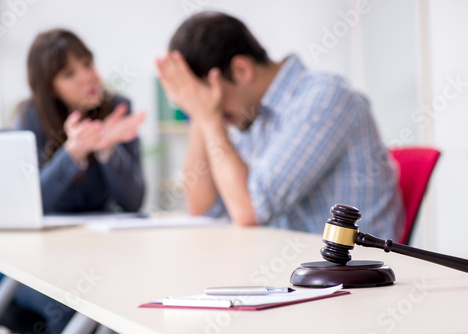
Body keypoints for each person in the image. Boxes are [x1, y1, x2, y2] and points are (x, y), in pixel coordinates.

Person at [156, 11, 405, 239]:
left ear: (241, 70)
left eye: (213, 99)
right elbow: (204, 210)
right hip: (292, 275)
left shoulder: (324, 98)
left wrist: (209, 118)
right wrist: (200, 115)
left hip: (351, 279)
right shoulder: (252, 116)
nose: (216, 113)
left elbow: (249, 211)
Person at [0, 29, 145, 333]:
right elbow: (28, 204)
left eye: (88, 64)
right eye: (70, 73)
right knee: (68, 309)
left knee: (125, 304)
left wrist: (109, 150)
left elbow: (133, 201)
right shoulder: (32, 117)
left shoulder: (118, 108)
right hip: (41, 260)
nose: (88, 77)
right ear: (51, 88)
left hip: (99, 254)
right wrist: (73, 153)